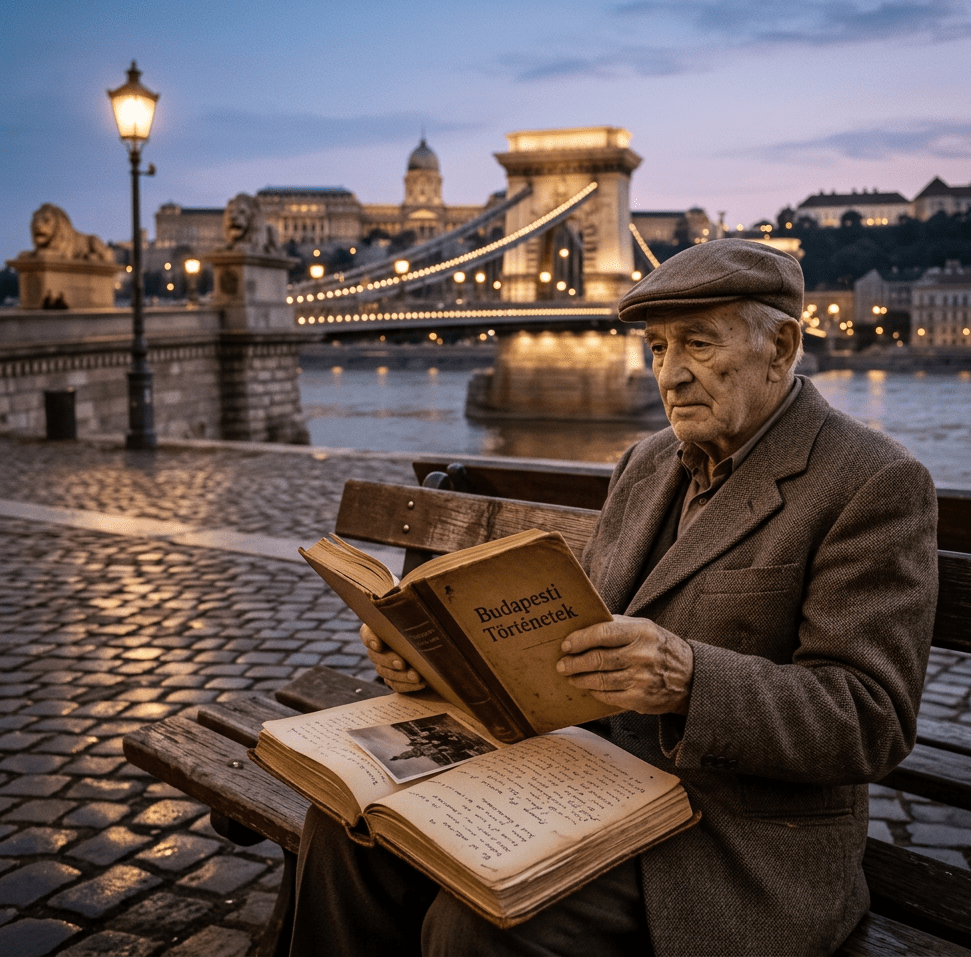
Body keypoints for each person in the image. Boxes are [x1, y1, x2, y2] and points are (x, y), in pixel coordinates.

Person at [289, 238, 938, 957]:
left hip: (724, 836)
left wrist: (691, 679)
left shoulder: (871, 482)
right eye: (657, 348)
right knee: (344, 836)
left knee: (477, 927)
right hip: (581, 784)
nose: (670, 375)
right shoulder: (646, 462)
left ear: (781, 347)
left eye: (696, 344)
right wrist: (426, 654)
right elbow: (564, 644)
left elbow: (872, 718)